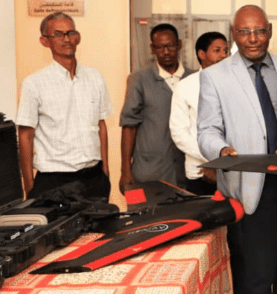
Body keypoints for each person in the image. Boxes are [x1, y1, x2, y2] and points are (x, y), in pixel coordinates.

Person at [198, 5, 277, 294]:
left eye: (259, 31)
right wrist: (221, 149)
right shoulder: (215, 76)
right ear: (233, 34)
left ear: (269, 31)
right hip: (251, 191)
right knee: (254, 283)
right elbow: (207, 130)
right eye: (244, 32)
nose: (252, 38)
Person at [17, 11, 113, 200]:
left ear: (78, 37)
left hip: (94, 177)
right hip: (54, 181)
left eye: (70, 33)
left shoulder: (95, 78)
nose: (66, 39)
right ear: (45, 41)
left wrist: (105, 171)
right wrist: (29, 185)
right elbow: (25, 135)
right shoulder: (34, 83)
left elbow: (101, 125)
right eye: (58, 34)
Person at [119, 23, 193, 194]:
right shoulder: (139, 79)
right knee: (145, 211)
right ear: (152, 48)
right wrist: (125, 171)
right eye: (160, 47)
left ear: (179, 45)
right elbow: (129, 126)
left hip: (185, 172)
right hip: (149, 173)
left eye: (170, 46)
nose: (166, 52)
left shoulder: (193, 78)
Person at [170, 31, 229, 195]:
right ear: (201, 54)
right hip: (200, 171)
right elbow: (179, 134)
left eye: (226, 51)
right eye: (217, 50)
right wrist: (214, 158)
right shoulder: (185, 86)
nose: (223, 55)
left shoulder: (235, 84)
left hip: (233, 170)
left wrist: (226, 161)